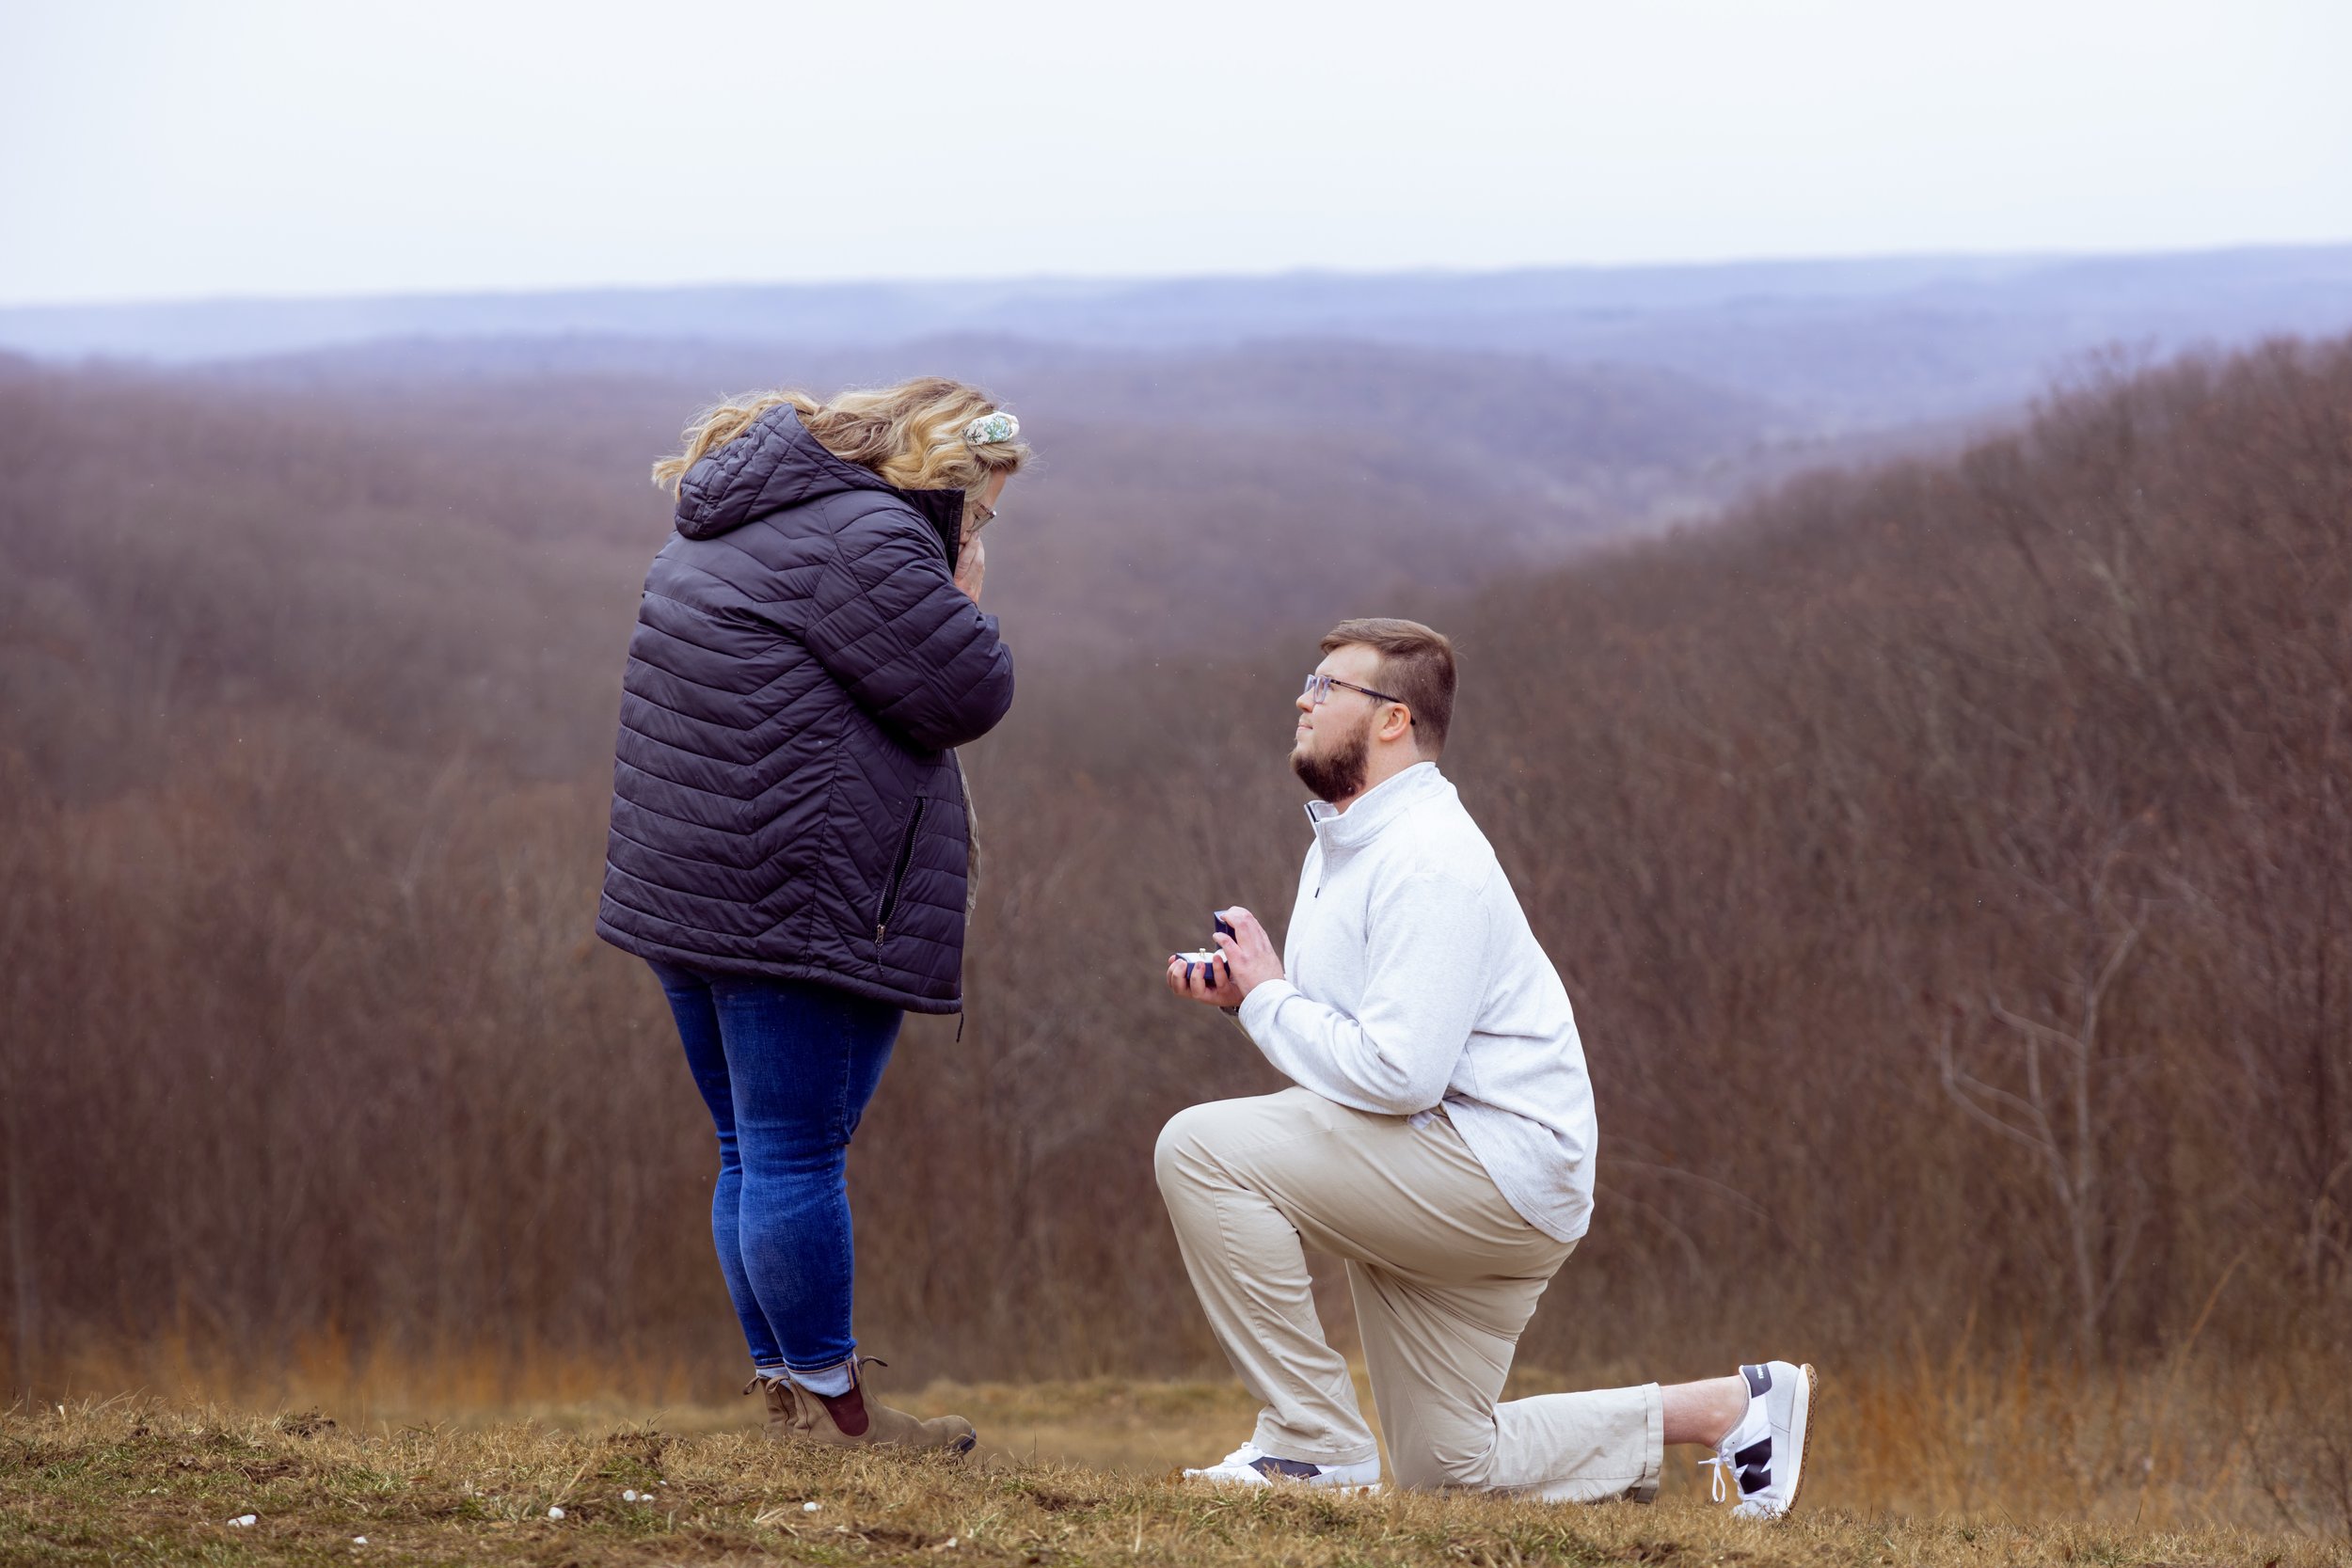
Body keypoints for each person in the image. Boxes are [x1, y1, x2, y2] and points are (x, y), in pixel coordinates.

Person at [1157, 617, 1816, 1514]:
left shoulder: (1431, 857)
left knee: (1200, 1147)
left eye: (1327, 686)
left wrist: (1270, 1000)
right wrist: (1251, 996)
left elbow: (1397, 1075)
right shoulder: (1344, 846)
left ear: (1393, 720)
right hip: (1464, 1170)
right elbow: (1351, 1053)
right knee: (1449, 1466)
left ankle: (1309, 1445)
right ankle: (1733, 1407)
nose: (1303, 699)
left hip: (1489, 1169)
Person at [596, 379, 1026, 1452]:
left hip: (689, 880)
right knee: (793, 1152)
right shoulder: (867, 535)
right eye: (981, 508)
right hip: (790, 893)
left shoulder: (738, 516)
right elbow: (968, 690)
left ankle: (792, 1400)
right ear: (946, 475)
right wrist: (965, 587)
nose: (981, 528)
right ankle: (838, 1418)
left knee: (751, 1147)